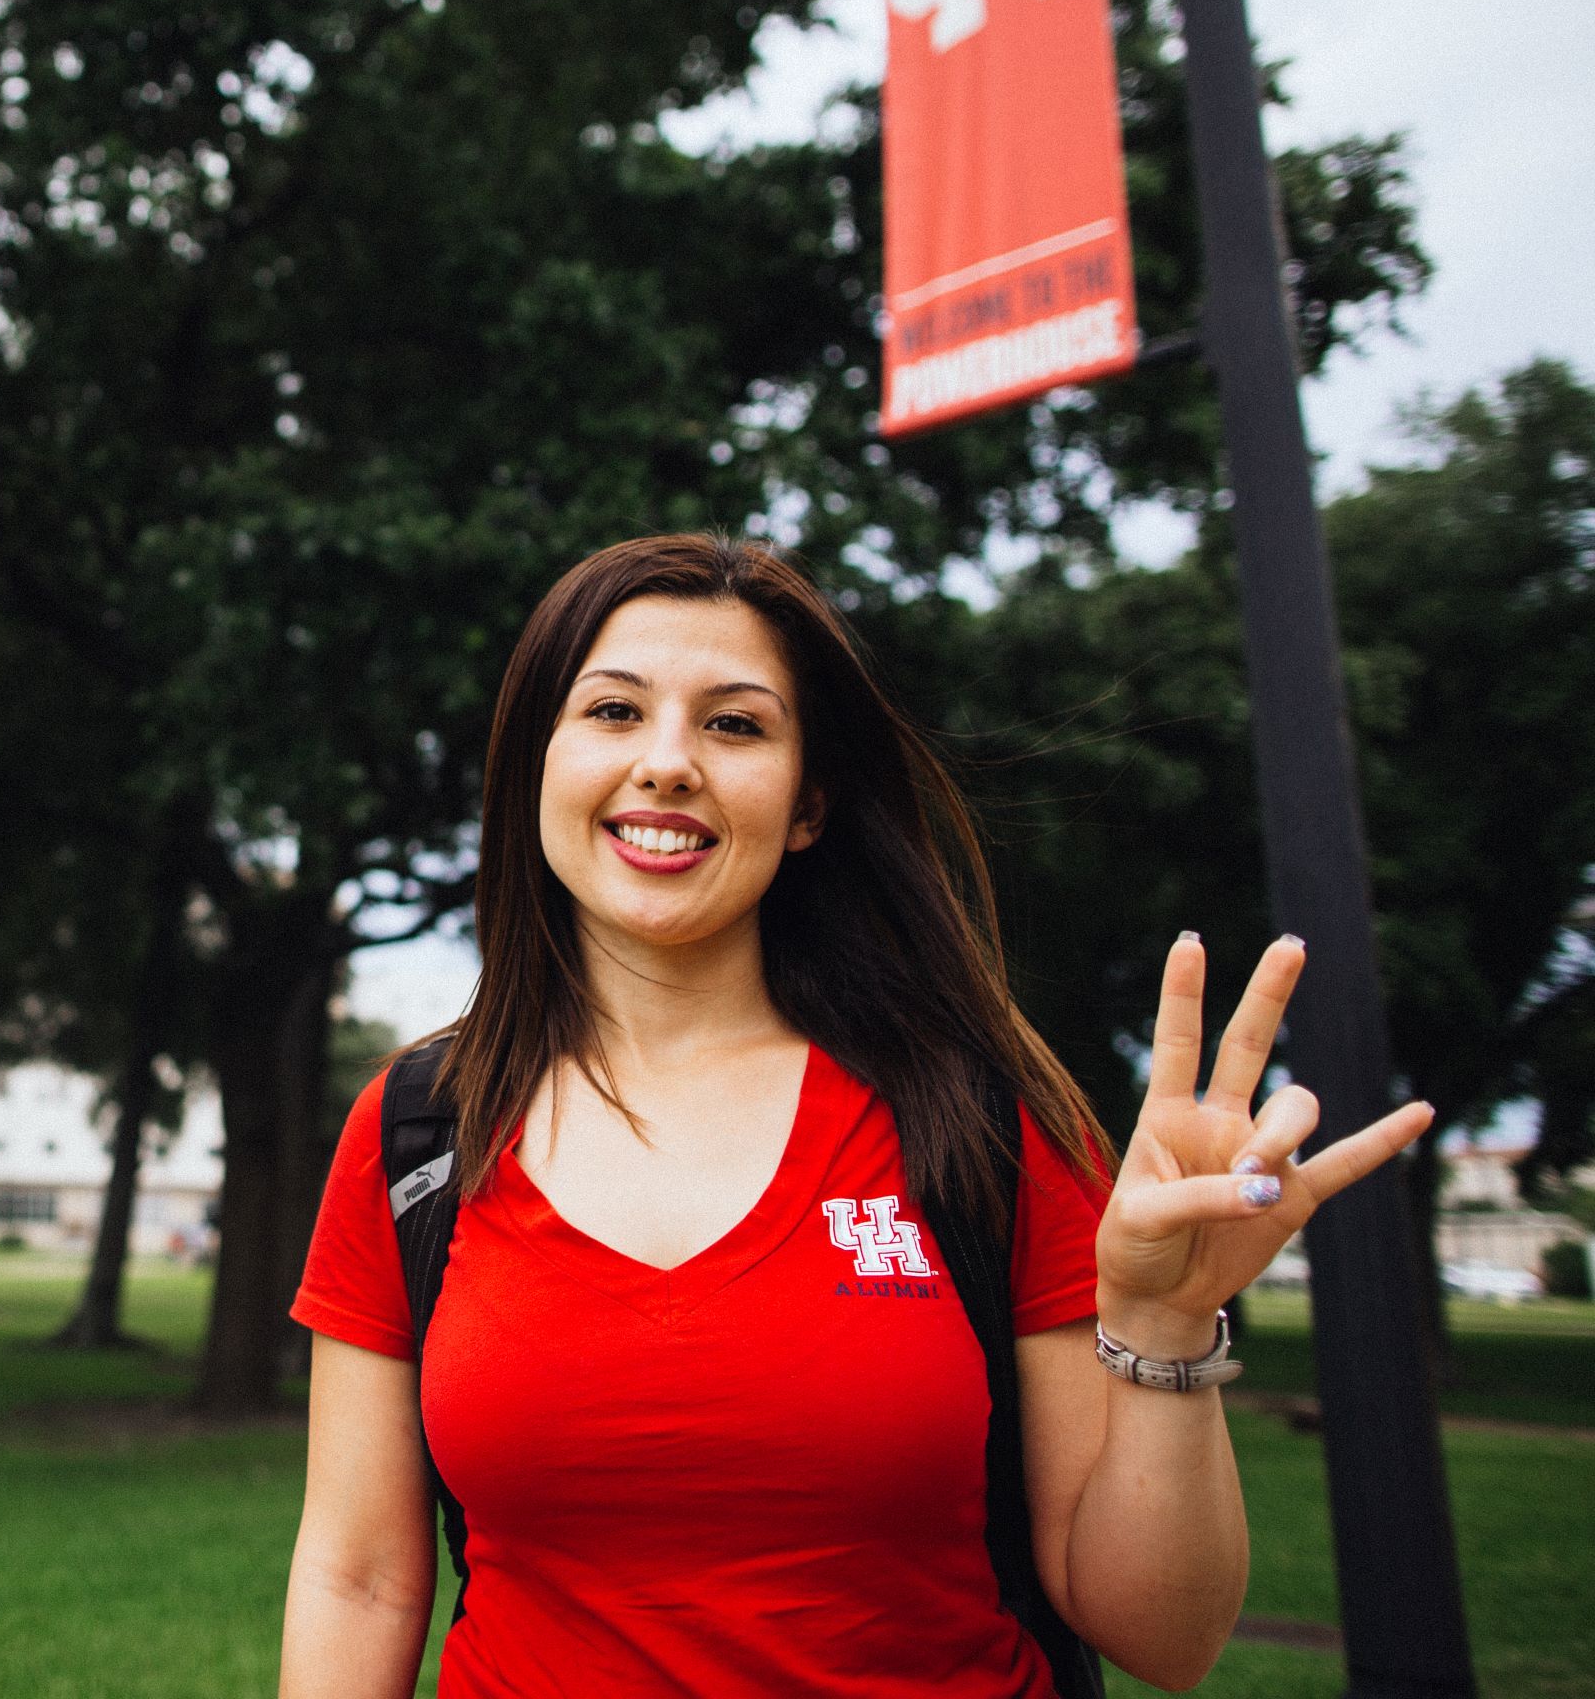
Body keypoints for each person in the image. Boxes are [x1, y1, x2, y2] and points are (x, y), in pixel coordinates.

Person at [278, 535, 1432, 1697]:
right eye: (614, 710)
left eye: (735, 724)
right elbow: (359, 1573)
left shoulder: (978, 1113)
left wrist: (1167, 1331)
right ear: (538, 760)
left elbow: (1165, 1639)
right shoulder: (420, 1131)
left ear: (810, 802)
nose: (668, 763)